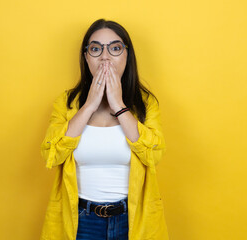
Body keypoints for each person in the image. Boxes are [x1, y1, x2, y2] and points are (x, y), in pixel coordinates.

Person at [40, 19, 169, 240]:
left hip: (132, 220)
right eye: (96, 49)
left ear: (127, 56)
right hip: (81, 221)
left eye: (115, 48)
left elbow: (153, 155)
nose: (105, 57)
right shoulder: (67, 103)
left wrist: (119, 105)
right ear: (86, 56)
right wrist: (89, 105)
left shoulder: (145, 104)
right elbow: (52, 154)